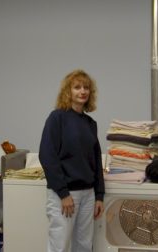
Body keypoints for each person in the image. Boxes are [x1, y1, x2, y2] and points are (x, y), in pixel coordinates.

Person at [39, 69, 105, 252]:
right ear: (68, 91)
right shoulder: (57, 118)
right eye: (77, 87)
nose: (82, 91)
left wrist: (99, 195)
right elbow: (47, 155)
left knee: (84, 246)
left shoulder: (90, 124)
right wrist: (63, 193)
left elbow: (96, 161)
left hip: (88, 194)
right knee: (59, 246)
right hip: (65, 195)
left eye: (86, 88)